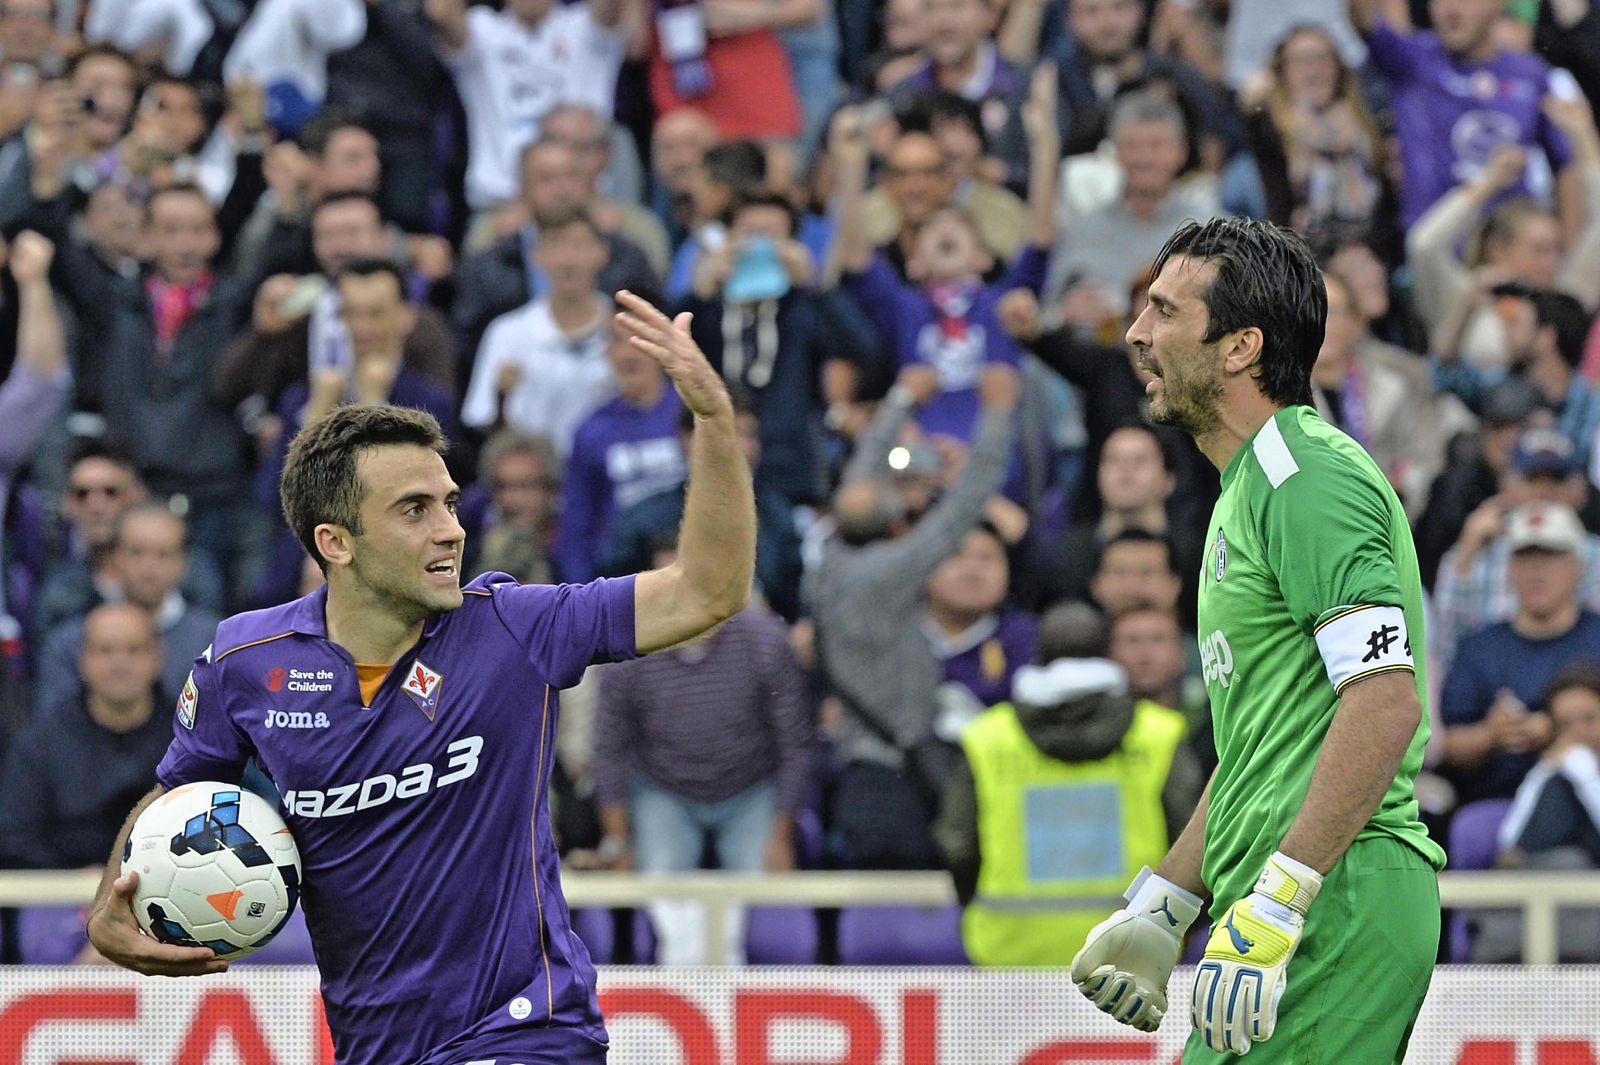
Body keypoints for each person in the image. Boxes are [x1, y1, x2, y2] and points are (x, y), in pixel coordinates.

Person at [85, 290, 756, 1065]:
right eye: (414, 509)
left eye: (448, 501)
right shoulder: (246, 661)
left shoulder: (514, 626)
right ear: (335, 542)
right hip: (375, 1047)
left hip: (528, 1031)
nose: (451, 527)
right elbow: (176, 796)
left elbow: (710, 590)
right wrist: (114, 899)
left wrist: (713, 420)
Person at [1071, 218, 1443, 1060]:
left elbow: (1385, 702)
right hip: (1296, 899)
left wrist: (1283, 898)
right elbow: (1261, 748)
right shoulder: (1247, 489)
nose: (1137, 334)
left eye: (1165, 312)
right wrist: (1167, 896)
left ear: (1240, 346)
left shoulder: (1305, 476)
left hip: (1334, 896)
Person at [809, 360, 1019, 869]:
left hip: (865, 761)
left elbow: (860, 481)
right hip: (895, 773)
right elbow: (967, 504)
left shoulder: (828, 561)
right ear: (901, 526)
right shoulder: (891, 570)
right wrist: (997, 413)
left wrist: (902, 400)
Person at [937, 602, 1201, 967]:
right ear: (1108, 653)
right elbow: (1194, 841)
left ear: (1039, 656)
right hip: (1130, 952)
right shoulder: (1158, 734)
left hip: (1010, 951)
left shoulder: (987, 738)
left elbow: (958, 845)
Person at [589, 536, 810, 964]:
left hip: (750, 786)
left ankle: (740, 1000)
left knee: (765, 897)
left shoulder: (766, 640)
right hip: (662, 788)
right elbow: (609, 751)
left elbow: (796, 745)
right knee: (666, 900)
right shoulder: (626, 651)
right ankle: (688, 999)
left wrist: (782, 836)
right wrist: (618, 841)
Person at [1440, 500, 1600, 805]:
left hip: (1590, 802)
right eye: (1525, 558)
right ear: (1509, 568)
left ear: (1576, 566)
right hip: (1498, 803)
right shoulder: (1481, 647)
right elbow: (1443, 745)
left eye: (1550, 556)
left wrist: (1559, 731)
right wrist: (1489, 735)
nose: (1536, 572)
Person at [0, 602, 173, 871]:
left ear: (157, 657)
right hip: (59, 896)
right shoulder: (41, 740)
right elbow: (14, 835)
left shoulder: (188, 739)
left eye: (134, 649)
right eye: (105, 650)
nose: (120, 663)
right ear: (83, 658)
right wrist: (72, 877)